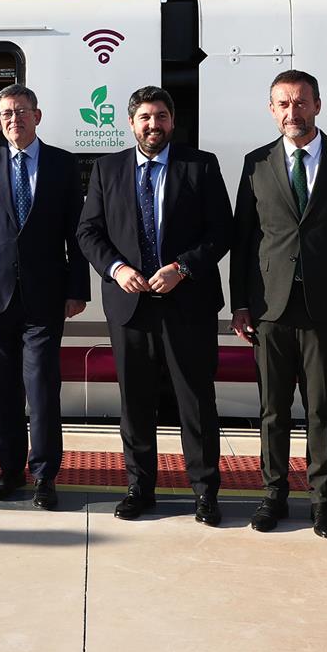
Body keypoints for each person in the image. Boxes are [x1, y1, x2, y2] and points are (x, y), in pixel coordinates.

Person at [77, 86, 233, 525]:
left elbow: (221, 230)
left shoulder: (200, 166)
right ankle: (139, 488)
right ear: (131, 123)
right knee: (136, 402)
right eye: (145, 117)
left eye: (161, 116)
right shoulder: (107, 169)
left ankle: (205, 493)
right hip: (130, 306)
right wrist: (116, 269)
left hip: (188, 304)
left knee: (196, 401)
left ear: (172, 121)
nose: (153, 124)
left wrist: (182, 267)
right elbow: (89, 232)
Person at [230, 69, 327, 539]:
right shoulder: (255, 164)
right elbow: (244, 240)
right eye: (283, 103)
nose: (293, 112)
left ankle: (322, 501)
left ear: (318, 105)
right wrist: (240, 304)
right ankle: (273, 495)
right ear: (272, 110)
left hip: (324, 309)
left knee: (321, 409)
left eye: (301, 102)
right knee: (272, 409)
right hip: (270, 307)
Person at [0, 84, 88, 510]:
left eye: (22, 111)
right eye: (7, 114)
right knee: (2, 390)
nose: (15, 119)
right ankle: (10, 470)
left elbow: (76, 232)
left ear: (38, 115)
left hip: (46, 296)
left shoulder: (63, 165)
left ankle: (45, 475)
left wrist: (77, 288)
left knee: (43, 388)